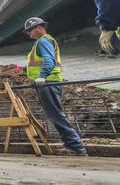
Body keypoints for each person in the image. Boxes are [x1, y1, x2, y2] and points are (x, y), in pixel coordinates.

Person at [23, 17, 87, 156]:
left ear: (39, 28)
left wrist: (42, 76)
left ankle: (76, 147)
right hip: (47, 83)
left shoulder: (43, 41)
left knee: (56, 115)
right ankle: (73, 145)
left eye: (30, 31)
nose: (29, 34)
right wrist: (23, 69)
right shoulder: (43, 42)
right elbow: (38, 63)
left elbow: (49, 61)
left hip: (48, 82)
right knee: (54, 115)